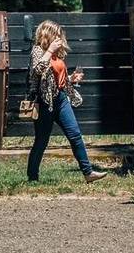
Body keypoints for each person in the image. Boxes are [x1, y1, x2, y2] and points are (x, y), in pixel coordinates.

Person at [26, 20, 107, 183]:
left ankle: (88, 172)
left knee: (75, 135)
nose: (59, 39)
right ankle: (32, 177)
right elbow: (37, 71)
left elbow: (55, 80)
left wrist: (70, 78)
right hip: (44, 101)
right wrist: (49, 51)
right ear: (47, 35)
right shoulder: (37, 51)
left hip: (61, 99)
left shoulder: (58, 55)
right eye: (56, 35)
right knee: (42, 141)